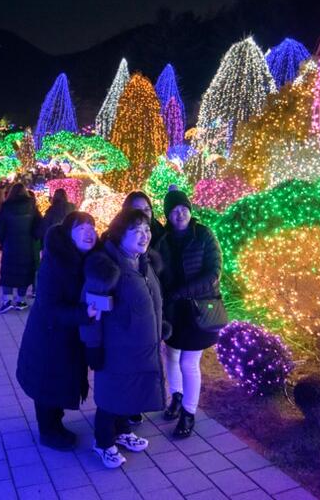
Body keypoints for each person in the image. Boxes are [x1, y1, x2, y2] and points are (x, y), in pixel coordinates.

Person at [80, 208, 168, 468]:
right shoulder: (107, 269)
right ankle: (103, 443)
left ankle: (120, 431)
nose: (145, 236)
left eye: (147, 230)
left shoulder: (143, 263)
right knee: (112, 395)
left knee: (128, 393)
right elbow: (92, 312)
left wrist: (159, 327)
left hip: (140, 346)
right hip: (115, 348)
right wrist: (93, 346)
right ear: (120, 233)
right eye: (136, 231)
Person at [16, 212, 98, 450]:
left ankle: (56, 423)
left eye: (91, 227)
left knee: (61, 381)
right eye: (81, 228)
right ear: (68, 234)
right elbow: (50, 307)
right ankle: (48, 431)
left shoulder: (88, 260)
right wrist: (84, 314)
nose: (88, 232)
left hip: (67, 336)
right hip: (48, 337)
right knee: (48, 383)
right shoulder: (54, 263)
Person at [155, 190, 222, 438]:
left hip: (198, 310)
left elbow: (213, 273)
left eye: (182, 208)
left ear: (189, 209)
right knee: (170, 355)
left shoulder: (203, 234)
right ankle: (176, 396)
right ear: (168, 215)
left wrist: (180, 292)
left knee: (188, 362)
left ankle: (188, 412)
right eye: (173, 210)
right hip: (174, 311)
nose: (179, 213)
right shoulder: (163, 240)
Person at [120, 190, 165, 426]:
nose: (143, 214)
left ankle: (142, 403)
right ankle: (128, 409)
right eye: (136, 209)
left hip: (156, 310)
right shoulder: (122, 238)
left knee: (151, 362)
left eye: (147, 209)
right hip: (132, 314)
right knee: (132, 365)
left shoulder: (161, 235)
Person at [0, 183, 42, 313]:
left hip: (10, 244)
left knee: (8, 271)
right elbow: (39, 224)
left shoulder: (6, 206)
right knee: (24, 271)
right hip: (26, 245)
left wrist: (3, 241)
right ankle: (21, 300)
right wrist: (34, 236)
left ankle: (7, 300)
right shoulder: (31, 206)